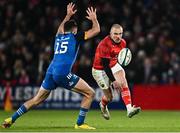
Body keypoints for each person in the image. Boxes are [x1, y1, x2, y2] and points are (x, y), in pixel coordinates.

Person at [2, 3, 100, 130]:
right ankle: (80, 123)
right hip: (62, 73)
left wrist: (68, 15)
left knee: (36, 99)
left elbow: (60, 29)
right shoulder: (75, 36)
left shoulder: (58, 37)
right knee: (90, 93)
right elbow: (96, 30)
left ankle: (11, 119)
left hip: (50, 71)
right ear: (75, 30)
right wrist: (94, 19)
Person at [92, 24, 140, 120]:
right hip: (99, 70)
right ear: (110, 33)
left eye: (120, 34)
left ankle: (129, 108)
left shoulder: (123, 43)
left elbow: (118, 57)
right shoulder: (104, 45)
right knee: (109, 97)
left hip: (113, 65)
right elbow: (105, 66)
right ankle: (102, 105)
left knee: (123, 82)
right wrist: (114, 81)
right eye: (115, 34)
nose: (118, 36)